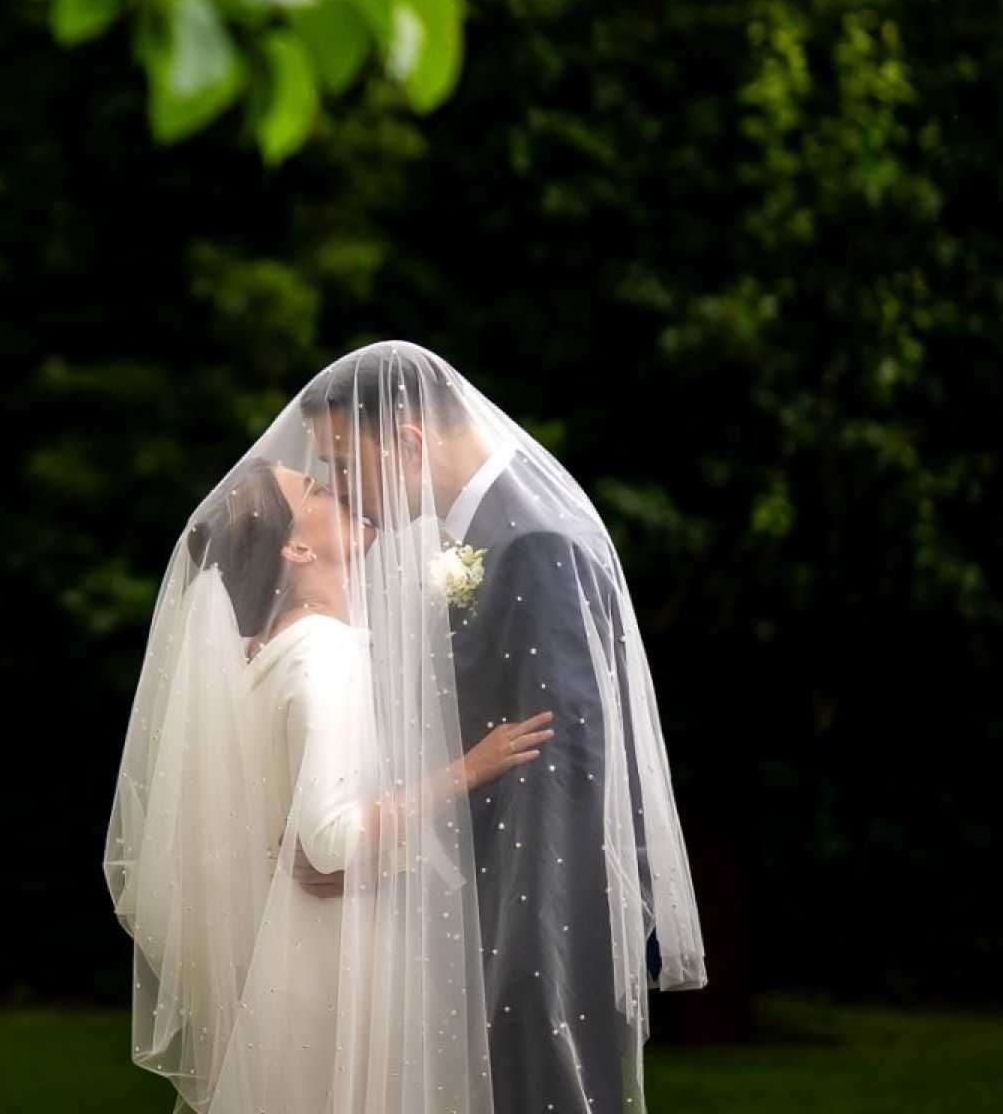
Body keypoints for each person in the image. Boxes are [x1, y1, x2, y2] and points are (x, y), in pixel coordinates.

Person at [105, 368, 552, 1114]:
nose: (333, 490)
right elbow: (330, 839)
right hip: (338, 974)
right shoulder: (325, 655)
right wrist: (466, 770)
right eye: (311, 494)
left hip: (303, 965)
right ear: (296, 553)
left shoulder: (272, 654)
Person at [294, 341, 706, 1114]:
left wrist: (519, 951)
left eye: (347, 465)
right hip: (481, 908)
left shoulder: (531, 539)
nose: (340, 490)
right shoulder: (478, 529)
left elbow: (564, 775)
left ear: (410, 441)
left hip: (531, 923)